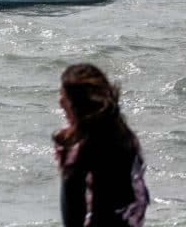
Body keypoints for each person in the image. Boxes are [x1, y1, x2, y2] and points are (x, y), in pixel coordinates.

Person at [53, 63, 149, 227]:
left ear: (77, 104)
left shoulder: (82, 149)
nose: (60, 101)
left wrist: (66, 154)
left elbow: (73, 213)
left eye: (64, 95)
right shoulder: (125, 137)